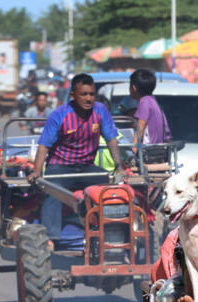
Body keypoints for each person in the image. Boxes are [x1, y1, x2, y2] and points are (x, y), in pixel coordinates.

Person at [30, 73, 125, 248]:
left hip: (88, 167)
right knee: (53, 192)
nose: (88, 99)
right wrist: (37, 172)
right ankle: (52, 239)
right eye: (83, 94)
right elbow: (44, 145)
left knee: (112, 189)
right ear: (73, 95)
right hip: (60, 167)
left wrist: (119, 167)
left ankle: (114, 233)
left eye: (91, 94)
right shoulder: (59, 115)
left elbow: (111, 139)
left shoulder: (100, 111)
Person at [130, 69, 170, 146]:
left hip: (148, 152)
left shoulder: (144, 102)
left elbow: (140, 130)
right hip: (158, 152)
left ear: (134, 88)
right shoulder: (153, 101)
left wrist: (132, 154)